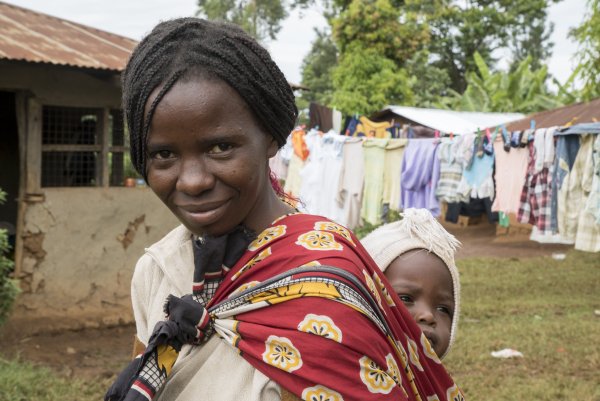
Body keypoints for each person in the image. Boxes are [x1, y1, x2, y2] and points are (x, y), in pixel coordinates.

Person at [105, 18, 463, 401]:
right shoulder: (157, 269)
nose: (192, 181)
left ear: (272, 136)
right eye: (164, 154)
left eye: (221, 147)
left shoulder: (329, 288)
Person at [361, 208, 461, 359]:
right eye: (405, 299)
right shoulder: (336, 379)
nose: (428, 316)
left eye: (443, 309)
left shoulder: (437, 383)